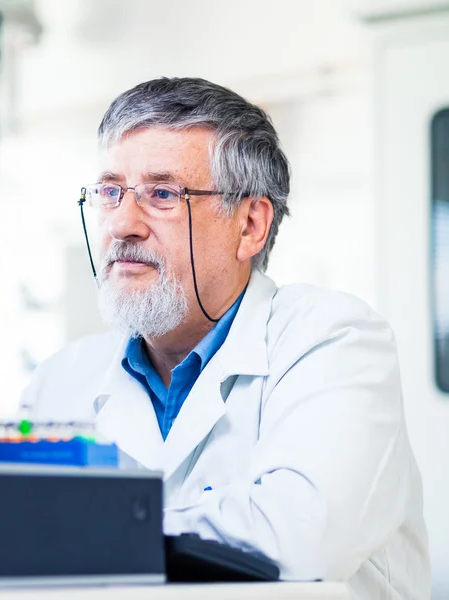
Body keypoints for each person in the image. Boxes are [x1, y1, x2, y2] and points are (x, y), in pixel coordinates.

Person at [22, 77, 430, 598]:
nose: (122, 224)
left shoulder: (334, 340)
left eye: (162, 194)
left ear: (250, 225)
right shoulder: (60, 380)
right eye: (109, 192)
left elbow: (299, 537)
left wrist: (81, 526)